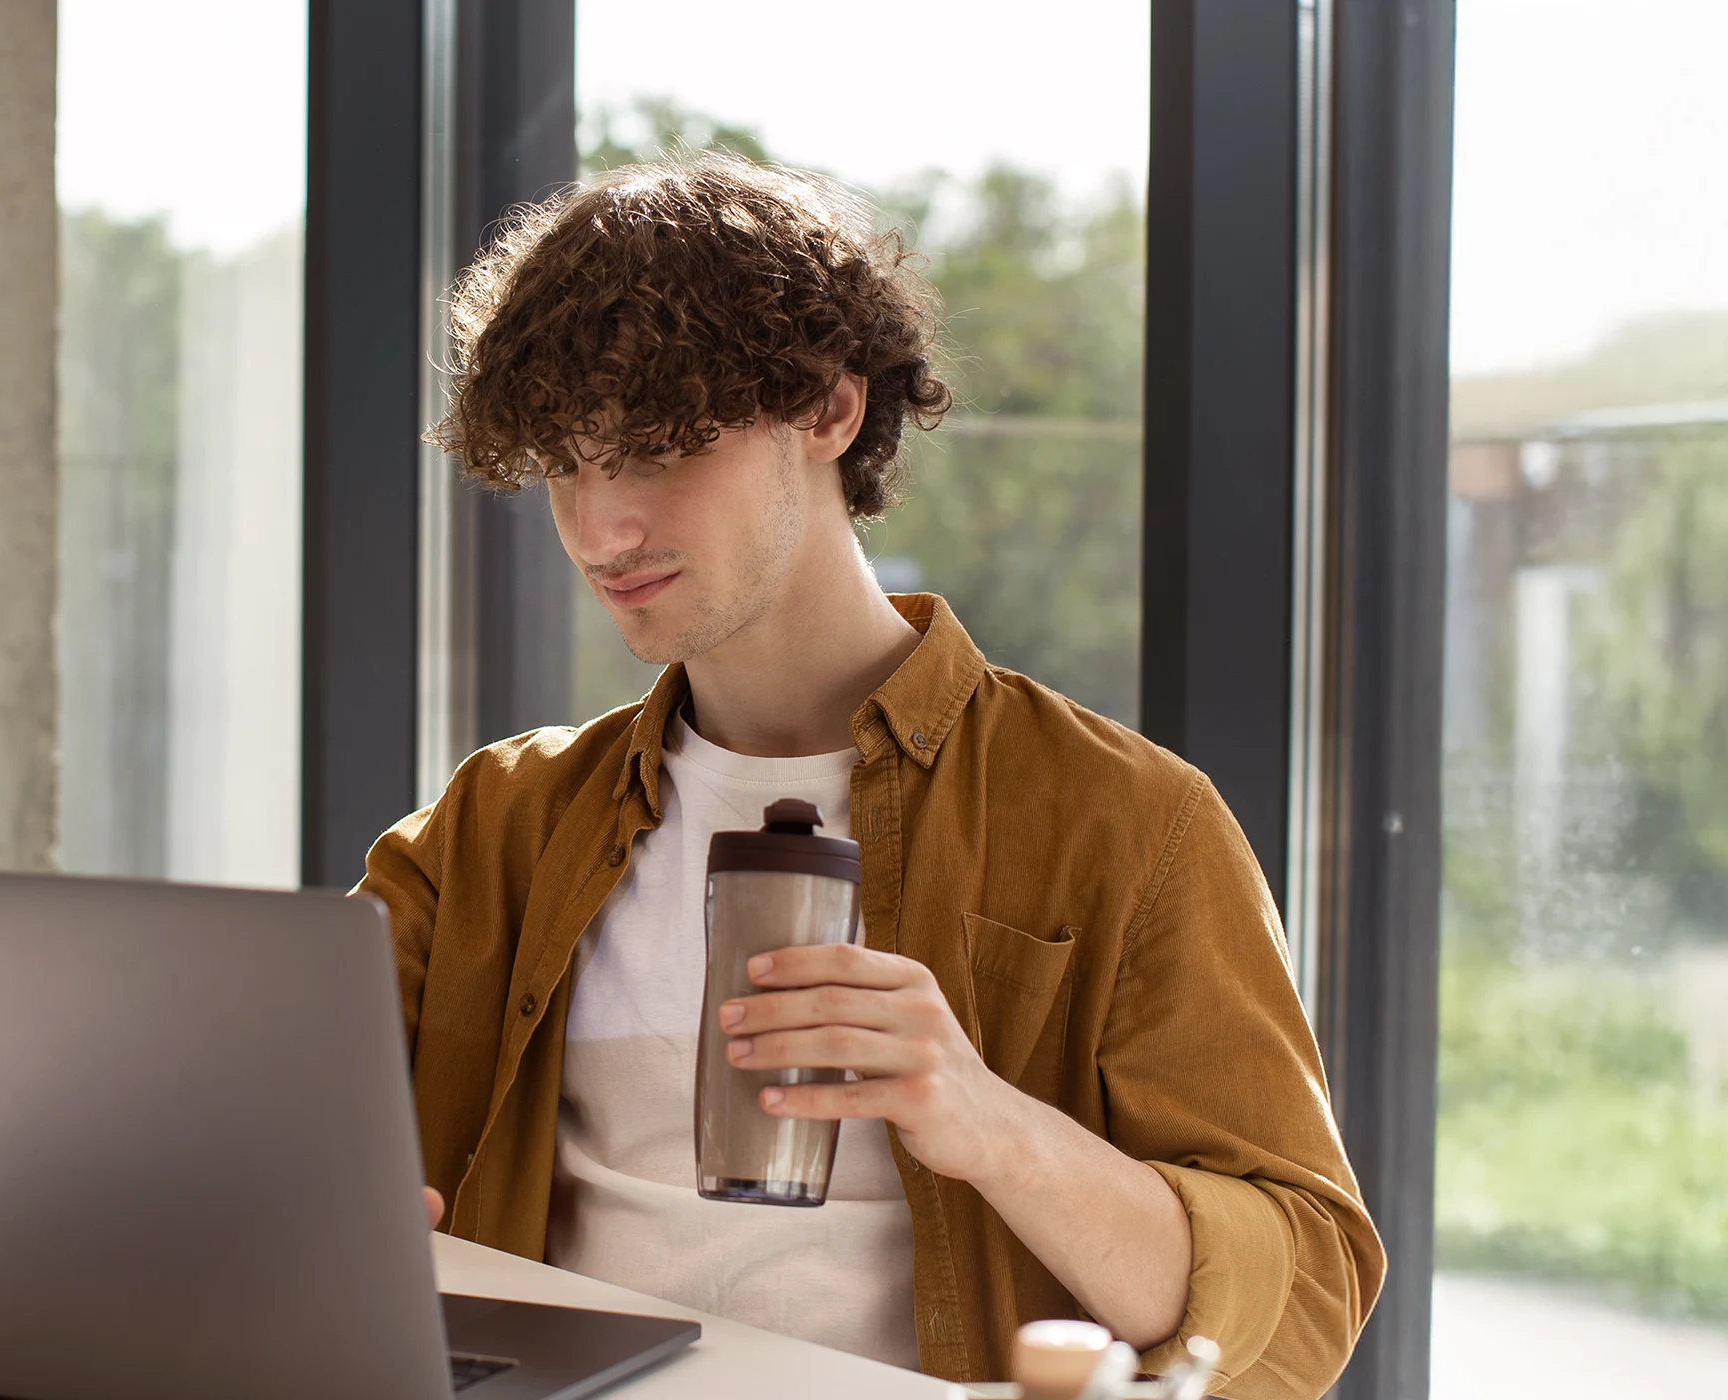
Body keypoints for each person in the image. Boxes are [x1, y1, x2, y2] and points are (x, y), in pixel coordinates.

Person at [362, 151, 1382, 1399]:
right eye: (566, 466)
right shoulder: (489, 829)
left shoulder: (1128, 823)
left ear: (830, 412)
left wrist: (983, 1116)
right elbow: (277, 1136)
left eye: (650, 449)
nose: (599, 528)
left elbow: (1305, 1290)